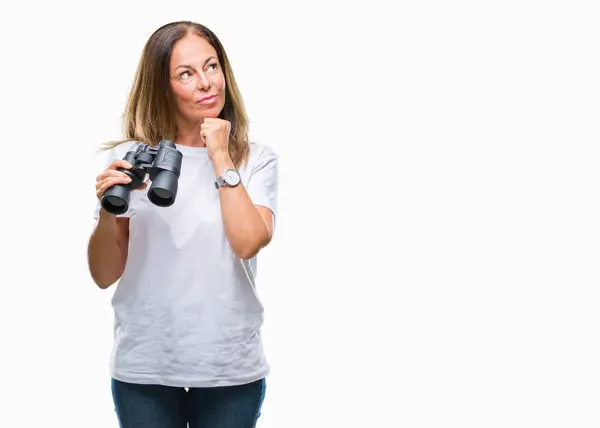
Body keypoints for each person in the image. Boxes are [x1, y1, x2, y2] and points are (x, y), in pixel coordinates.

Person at [87, 20, 278, 428]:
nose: (206, 83)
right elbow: (104, 274)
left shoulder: (256, 159)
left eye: (212, 67)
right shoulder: (130, 156)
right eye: (186, 74)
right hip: (145, 363)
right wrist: (108, 211)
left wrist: (222, 156)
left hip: (228, 364)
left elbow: (248, 242)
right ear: (163, 86)